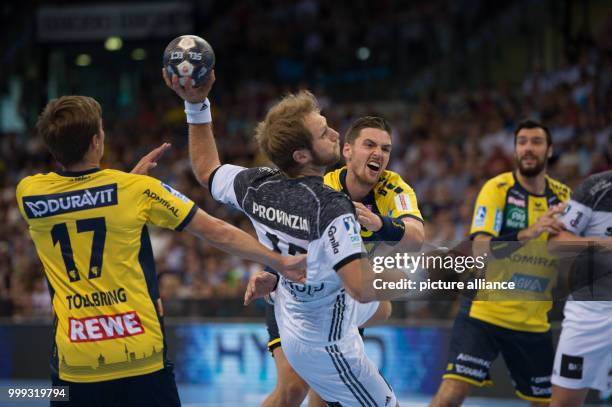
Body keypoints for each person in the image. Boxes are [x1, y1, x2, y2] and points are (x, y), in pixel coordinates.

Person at [15, 95, 304, 407]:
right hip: (140, 356)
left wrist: (125, 183)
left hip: (76, 365)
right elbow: (216, 231)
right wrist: (279, 261)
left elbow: (83, 198)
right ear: (97, 140)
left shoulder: (29, 193)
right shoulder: (135, 191)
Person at [164, 70, 407, 406]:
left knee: (384, 310)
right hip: (324, 334)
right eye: (324, 133)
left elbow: (206, 169)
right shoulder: (331, 205)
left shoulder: (257, 184)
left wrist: (195, 105)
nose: (336, 133)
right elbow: (360, 286)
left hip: (291, 306)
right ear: (302, 156)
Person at [262, 116, 425, 407]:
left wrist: (378, 223)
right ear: (347, 151)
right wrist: (271, 275)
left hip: (341, 301)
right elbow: (285, 236)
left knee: (326, 394)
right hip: (295, 297)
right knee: (292, 389)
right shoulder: (322, 187)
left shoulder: (395, 189)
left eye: (386, 149)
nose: (379, 154)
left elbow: (416, 237)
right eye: (370, 145)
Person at [430, 119, 571, 407]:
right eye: (522, 142)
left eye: (536, 142)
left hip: (533, 321)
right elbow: (481, 249)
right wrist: (527, 233)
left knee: (544, 403)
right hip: (484, 314)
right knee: (451, 395)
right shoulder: (498, 189)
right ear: (515, 150)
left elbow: (571, 254)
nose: (528, 148)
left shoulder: (565, 198)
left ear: (549, 149)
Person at [548, 170, 612, 407]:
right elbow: (555, 243)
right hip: (589, 313)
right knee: (564, 403)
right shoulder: (596, 188)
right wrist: (606, 246)